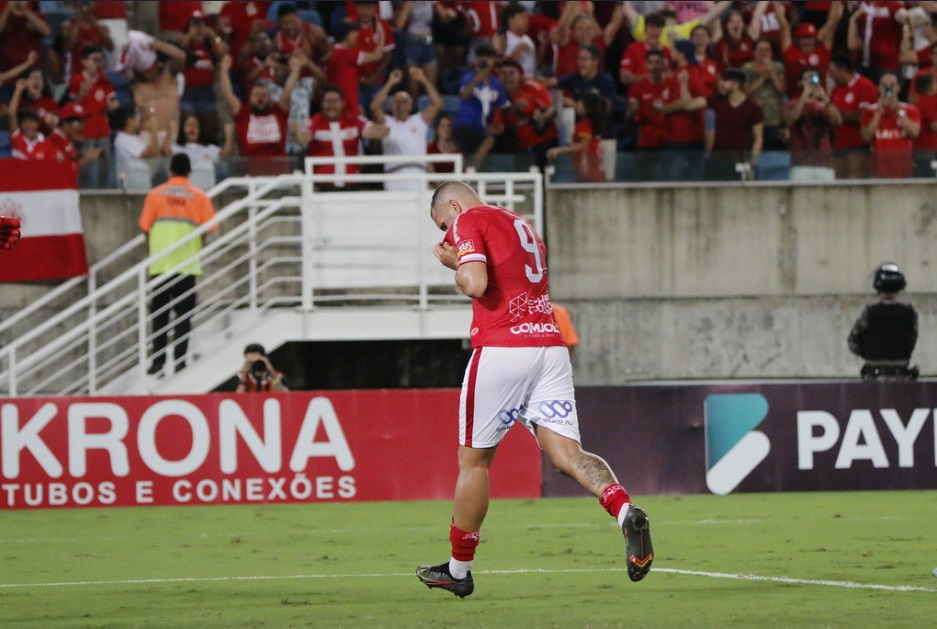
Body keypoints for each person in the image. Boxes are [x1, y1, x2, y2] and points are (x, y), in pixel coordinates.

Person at [416, 181, 653, 598]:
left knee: (474, 462)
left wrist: (454, 264)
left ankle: (458, 569)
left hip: (504, 350)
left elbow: (474, 283)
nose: (445, 233)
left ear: (453, 204)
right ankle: (625, 511)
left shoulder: (469, 218)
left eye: (443, 223)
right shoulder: (521, 224)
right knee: (567, 454)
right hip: (549, 348)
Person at [139, 153, 218, 376]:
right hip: (188, 264)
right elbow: (208, 229)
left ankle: (158, 363)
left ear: (170, 170)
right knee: (184, 316)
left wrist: (156, 246)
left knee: (160, 316)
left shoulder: (155, 195)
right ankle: (180, 361)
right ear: (189, 171)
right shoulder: (199, 196)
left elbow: (145, 227)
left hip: (161, 264)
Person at [296, 85, 389, 190]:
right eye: (327, 101)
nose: (331, 105)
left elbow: (378, 132)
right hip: (323, 187)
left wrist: (382, 122)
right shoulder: (314, 121)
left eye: (334, 101)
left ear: (342, 103)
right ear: (322, 103)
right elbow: (302, 138)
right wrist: (296, 129)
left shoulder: (354, 119)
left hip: (352, 185)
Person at [369, 66, 443, 190]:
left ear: (410, 106)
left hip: (418, 175)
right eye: (397, 102)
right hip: (394, 176)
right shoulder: (387, 122)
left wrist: (423, 79)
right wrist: (390, 82)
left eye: (404, 102)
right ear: (391, 106)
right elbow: (374, 107)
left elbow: (437, 103)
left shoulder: (419, 121)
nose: (400, 105)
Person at [848, 262, 918, 381]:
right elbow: (911, 340)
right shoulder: (909, 313)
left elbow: (853, 341)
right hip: (901, 374)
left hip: (873, 374)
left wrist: (868, 353)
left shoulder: (870, 312)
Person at [860, 73, 921, 179]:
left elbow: (914, 133)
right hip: (878, 169)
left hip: (903, 167)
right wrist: (878, 114)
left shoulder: (910, 109)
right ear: (878, 88)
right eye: (884, 85)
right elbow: (866, 137)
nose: (888, 89)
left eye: (892, 85)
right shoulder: (869, 111)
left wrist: (898, 111)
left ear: (898, 88)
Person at [828, 53, 877, 179]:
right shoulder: (836, 90)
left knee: (854, 180)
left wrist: (840, 116)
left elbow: (865, 116)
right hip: (838, 144)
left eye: (832, 71)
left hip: (857, 145)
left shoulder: (864, 86)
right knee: (838, 182)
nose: (830, 75)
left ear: (842, 69)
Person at [784, 69, 835, 181]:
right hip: (800, 163)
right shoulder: (791, 104)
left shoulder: (824, 104)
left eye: (814, 78)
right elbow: (790, 120)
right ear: (800, 82)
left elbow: (837, 120)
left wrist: (825, 98)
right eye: (807, 79)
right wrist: (804, 97)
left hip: (824, 163)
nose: (811, 82)